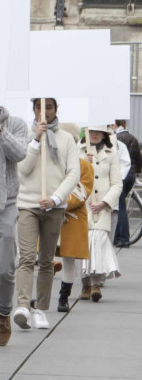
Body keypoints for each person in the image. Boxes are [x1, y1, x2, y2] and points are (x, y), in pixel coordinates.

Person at [13, 98, 79, 331]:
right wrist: (34, 140)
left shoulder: (67, 139)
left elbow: (73, 173)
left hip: (54, 207)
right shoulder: (26, 136)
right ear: (33, 110)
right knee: (27, 256)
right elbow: (22, 169)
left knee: (47, 259)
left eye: (48, 107)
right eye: (39, 107)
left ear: (56, 109)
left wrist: (56, 198)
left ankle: (40, 308)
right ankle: (22, 305)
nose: (44, 112)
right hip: (28, 204)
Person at [0, 104, 30, 346]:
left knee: (4, 268)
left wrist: (0, 130)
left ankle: (3, 312)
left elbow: (20, 153)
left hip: (5, 204)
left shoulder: (17, 123)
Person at [54, 134, 93, 313]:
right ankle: (42, 297)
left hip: (72, 218)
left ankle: (63, 298)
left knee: (69, 259)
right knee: (45, 259)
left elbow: (82, 192)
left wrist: (56, 202)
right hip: (50, 217)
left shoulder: (84, 166)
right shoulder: (51, 163)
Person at [85, 126, 124, 300]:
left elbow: (117, 183)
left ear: (104, 134)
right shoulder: (79, 151)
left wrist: (104, 203)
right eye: (91, 131)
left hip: (102, 207)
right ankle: (85, 284)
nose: (94, 134)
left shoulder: (112, 153)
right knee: (83, 245)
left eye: (98, 131)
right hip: (82, 207)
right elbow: (69, 176)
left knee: (98, 243)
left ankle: (95, 284)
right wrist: (82, 163)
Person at [115, 120, 141, 247]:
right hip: (131, 174)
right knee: (120, 205)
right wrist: (138, 171)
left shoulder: (115, 139)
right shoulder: (133, 138)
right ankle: (118, 237)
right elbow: (138, 158)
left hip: (121, 173)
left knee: (119, 207)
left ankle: (123, 238)